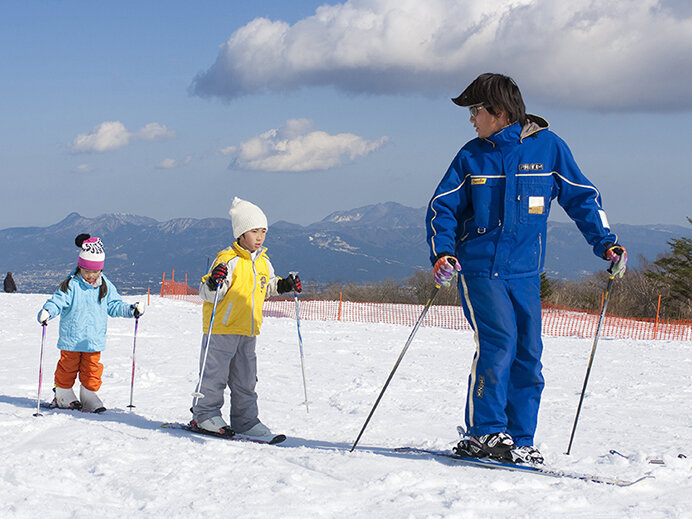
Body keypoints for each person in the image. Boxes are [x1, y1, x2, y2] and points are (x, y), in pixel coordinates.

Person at [425, 73, 627, 464]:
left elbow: (583, 198)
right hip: (481, 269)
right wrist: (443, 253)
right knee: (499, 342)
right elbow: (442, 207)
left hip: (525, 273)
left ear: (498, 112)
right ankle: (484, 433)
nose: (471, 119)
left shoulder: (549, 149)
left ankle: (520, 438)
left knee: (529, 353)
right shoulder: (471, 155)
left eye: (475, 110)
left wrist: (606, 243)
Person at [190, 197, 302, 440]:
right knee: (215, 375)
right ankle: (205, 414)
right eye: (254, 231)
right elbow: (207, 293)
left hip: (249, 329)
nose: (260, 237)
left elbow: (267, 286)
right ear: (241, 233)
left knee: (246, 380)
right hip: (221, 329)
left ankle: (246, 421)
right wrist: (213, 282)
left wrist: (283, 285)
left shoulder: (263, 261)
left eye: (263, 231)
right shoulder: (228, 259)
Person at [37, 234, 145, 412]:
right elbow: (58, 301)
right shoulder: (71, 285)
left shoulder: (105, 286)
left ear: (101, 270)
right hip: (71, 339)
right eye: (86, 271)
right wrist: (48, 311)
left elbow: (114, 305)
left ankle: (89, 395)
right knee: (67, 368)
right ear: (80, 268)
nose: (90, 276)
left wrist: (131, 310)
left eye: (95, 272)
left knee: (92, 370)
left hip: (93, 340)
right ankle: (63, 394)